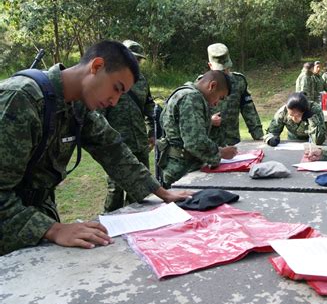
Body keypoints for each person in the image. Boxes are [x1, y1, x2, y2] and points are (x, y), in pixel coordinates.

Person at [0, 40, 192, 256]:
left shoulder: (77, 105)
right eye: (116, 89)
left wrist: (161, 192)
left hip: (34, 224)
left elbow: (113, 149)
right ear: (97, 66)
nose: (114, 102)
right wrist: (53, 230)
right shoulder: (20, 99)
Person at [99, 40, 156, 212]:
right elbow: (98, 114)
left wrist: (152, 131)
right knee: (116, 189)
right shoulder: (109, 80)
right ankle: (109, 221)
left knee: (140, 189)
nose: (136, 63)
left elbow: (149, 105)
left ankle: (135, 220)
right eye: (133, 59)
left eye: (139, 60)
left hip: (140, 143)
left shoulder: (142, 80)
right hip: (117, 144)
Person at [158, 70, 237, 188]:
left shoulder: (186, 93)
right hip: (182, 171)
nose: (216, 104)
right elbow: (194, 142)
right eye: (220, 97)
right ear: (212, 86)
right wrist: (221, 153)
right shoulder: (192, 98)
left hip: (179, 166)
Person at [206, 43, 263, 146]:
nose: (225, 72)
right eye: (220, 70)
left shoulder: (239, 81)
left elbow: (249, 111)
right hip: (210, 145)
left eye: (226, 68)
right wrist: (209, 121)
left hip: (233, 143)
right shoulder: (203, 85)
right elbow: (195, 118)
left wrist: (259, 136)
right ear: (210, 66)